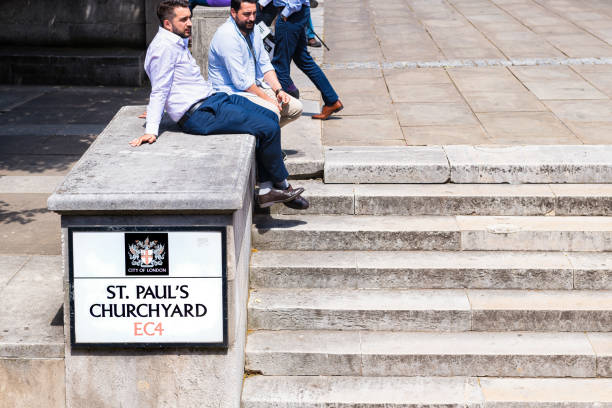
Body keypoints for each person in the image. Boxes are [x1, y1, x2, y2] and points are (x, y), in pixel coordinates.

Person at [131, 0, 309, 210]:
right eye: (184, 19)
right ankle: (281, 185)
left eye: (190, 17)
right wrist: (152, 127)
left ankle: (266, 189)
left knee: (269, 115)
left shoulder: (175, 41)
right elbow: (160, 89)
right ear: (168, 24)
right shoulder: (163, 49)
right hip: (199, 114)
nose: (190, 23)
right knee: (268, 126)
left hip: (211, 99)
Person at [208, 0, 303, 127]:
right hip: (231, 92)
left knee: (296, 107)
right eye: (247, 14)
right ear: (233, 12)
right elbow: (241, 82)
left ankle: (262, 135)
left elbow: (265, 64)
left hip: (254, 85)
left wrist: (278, 90)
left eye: (254, 13)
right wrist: (268, 100)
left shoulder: (254, 29)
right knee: (272, 111)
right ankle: (264, 136)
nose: (252, 18)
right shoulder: (227, 36)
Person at [270, 0, 343, 120]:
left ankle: (284, 107)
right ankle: (332, 100)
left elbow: (296, 2)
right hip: (295, 13)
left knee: (280, 64)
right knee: (303, 60)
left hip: (291, 14)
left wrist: (285, 13)